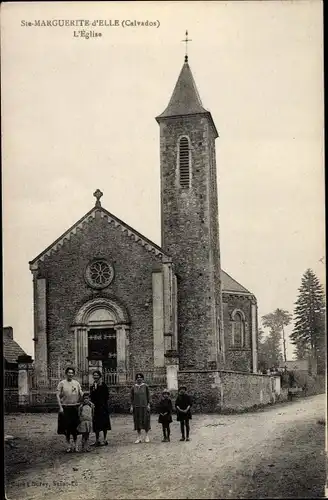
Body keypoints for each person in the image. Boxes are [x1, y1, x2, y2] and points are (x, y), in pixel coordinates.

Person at [56, 367, 83, 452]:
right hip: (65, 407)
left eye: (72, 373)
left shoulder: (76, 383)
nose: (70, 374)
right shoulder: (62, 383)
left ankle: (75, 445)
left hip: (75, 407)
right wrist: (60, 407)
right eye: (69, 373)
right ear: (66, 373)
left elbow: (81, 394)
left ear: (73, 374)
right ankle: (68, 445)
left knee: (75, 428)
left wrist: (82, 401)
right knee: (66, 428)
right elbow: (57, 395)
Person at [90, 370, 112, 446]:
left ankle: (105, 439)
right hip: (96, 408)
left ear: (99, 376)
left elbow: (107, 396)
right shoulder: (92, 386)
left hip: (103, 407)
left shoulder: (103, 385)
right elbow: (91, 396)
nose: (95, 377)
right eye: (94, 375)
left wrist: (103, 404)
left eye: (97, 375)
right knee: (96, 424)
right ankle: (97, 440)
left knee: (104, 423)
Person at [130, 373, 151, 443]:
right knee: (137, 421)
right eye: (137, 377)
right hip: (136, 407)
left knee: (146, 421)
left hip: (144, 406)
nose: (139, 378)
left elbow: (149, 396)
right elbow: (131, 398)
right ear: (136, 379)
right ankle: (139, 437)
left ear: (142, 378)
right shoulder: (133, 387)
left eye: (140, 377)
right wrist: (132, 406)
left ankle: (147, 436)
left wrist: (148, 405)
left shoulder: (146, 386)